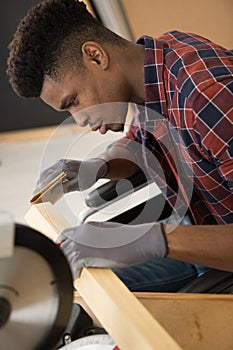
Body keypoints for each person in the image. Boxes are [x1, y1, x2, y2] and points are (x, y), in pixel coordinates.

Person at [6, 0, 233, 291]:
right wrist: (101, 166)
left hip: (220, 252)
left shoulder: (208, 98)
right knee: (72, 284)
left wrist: (155, 239)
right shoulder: (153, 69)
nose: (80, 121)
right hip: (197, 227)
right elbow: (144, 143)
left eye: (73, 101)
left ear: (95, 57)